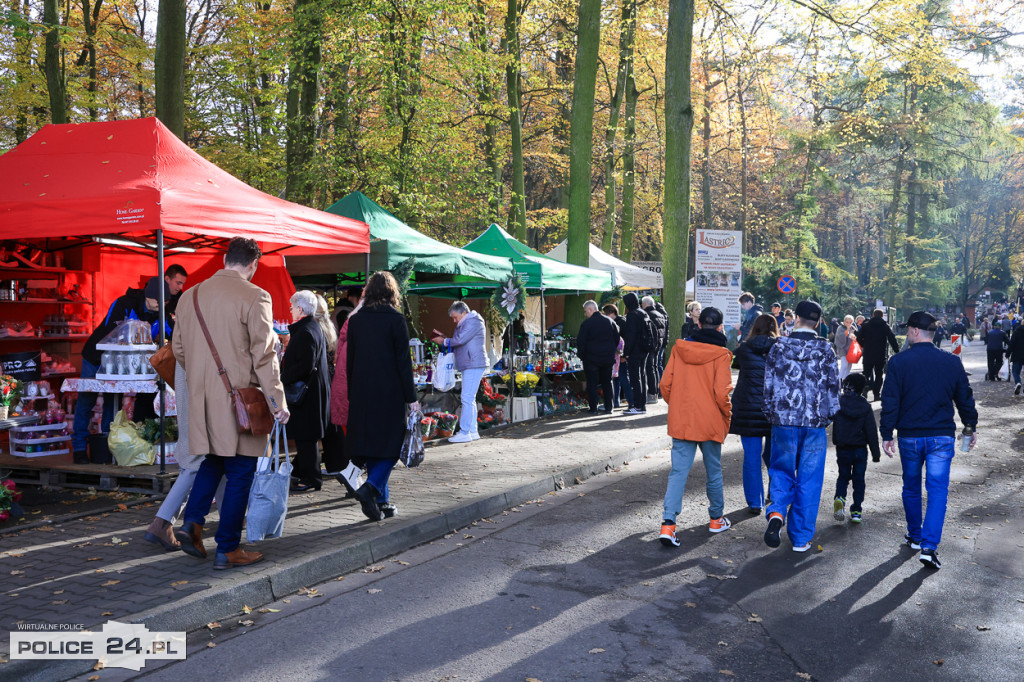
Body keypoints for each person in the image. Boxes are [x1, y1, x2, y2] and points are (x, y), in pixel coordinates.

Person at [172, 238, 289, 570]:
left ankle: (192, 522)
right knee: (240, 470)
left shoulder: (189, 296)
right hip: (241, 400)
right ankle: (228, 548)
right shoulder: (255, 296)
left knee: (213, 460)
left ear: (225, 259)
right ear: (253, 265)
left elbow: (179, 350)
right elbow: (265, 356)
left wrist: (203, 375)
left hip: (202, 398)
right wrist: (277, 400)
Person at [880, 311, 978, 570]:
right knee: (937, 492)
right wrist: (970, 426)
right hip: (941, 437)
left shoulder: (899, 362)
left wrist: (887, 434)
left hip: (910, 436)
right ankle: (929, 546)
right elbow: (964, 398)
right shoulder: (951, 361)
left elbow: (890, 401)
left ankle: (914, 535)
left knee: (911, 487)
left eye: (907, 330)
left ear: (913, 331)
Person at [762, 300, 841, 552]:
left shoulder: (779, 346)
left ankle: (776, 513)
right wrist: (830, 415)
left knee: (781, 470)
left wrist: (770, 413)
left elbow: (768, 385)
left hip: (784, 421)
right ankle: (801, 537)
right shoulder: (826, 349)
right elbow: (833, 388)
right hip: (815, 423)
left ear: (795, 318)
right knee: (810, 479)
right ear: (817, 322)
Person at [73, 275, 174, 463]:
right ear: (147, 296)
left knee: (113, 403)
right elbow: (110, 331)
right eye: (157, 301)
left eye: (165, 301)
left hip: (122, 364)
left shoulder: (162, 314)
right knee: (87, 399)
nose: (161, 305)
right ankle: (79, 448)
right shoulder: (124, 304)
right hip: (96, 357)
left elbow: (174, 334)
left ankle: (108, 447)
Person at [658, 307, 734, 547]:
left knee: (678, 472)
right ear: (720, 327)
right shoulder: (722, 355)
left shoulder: (679, 349)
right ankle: (715, 519)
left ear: (698, 324)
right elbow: (722, 393)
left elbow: (665, 384)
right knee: (713, 470)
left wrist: (679, 405)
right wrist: (727, 414)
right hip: (710, 420)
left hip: (683, 419)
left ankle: (668, 525)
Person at [348, 272, 420, 521]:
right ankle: (370, 488)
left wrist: (351, 392)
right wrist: (412, 397)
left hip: (362, 390)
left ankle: (383, 501)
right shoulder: (396, 319)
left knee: (374, 445)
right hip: (389, 391)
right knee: (392, 445)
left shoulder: (356, 321)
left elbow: (351, 361)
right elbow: (404, 363)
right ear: (392, 292)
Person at [281, 290, 330, 492]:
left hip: (306, 395)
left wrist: (281, 378)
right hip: (312, 393)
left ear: (300, 309)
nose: (291, 310)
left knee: (305, 438)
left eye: (293, 307)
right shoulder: (311, 328)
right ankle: (303, 473)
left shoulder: (305, 332)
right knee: (306, 438)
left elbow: (304, 366)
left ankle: (311, 479)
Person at [729, 313, 778, 514]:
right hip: (774, 409)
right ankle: (774, 494)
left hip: (747, 408)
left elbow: (735, 364)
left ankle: (755, 502)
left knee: (751, 457)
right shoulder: (780, 348)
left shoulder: (744, 349)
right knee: (775, 455)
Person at [432, 301, 487, 443]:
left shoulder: (472, 321)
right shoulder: (470, 321)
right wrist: (445, 338)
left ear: (463, 312)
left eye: (455, 317)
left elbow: (460, 339)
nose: (454, 320)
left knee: (467, 398)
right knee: (470, 399)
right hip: (471, 363)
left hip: (472, 363)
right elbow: (459, 340)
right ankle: (473, 431)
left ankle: (464, 432)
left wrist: (443, 341)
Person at [831, 373, 881, 524]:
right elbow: (871, 431)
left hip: (843, 447)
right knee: (859, 479)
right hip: (860, 449)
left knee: (843, 476)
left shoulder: (839, 403)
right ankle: (857, 510)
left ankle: (840, 498)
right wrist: (876, 453)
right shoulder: (865, 406)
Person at [576, 300, 620, 414]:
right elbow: (617, 339)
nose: (585, 314)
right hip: (607, 358)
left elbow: (581, 342)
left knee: (592, 383)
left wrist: (582, 356)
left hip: (591, 359)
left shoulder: (586, 324)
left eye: (586, 311)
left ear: (590, 309)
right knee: (607, 382)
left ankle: (594, 408)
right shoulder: (610, 322)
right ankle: (609, 407)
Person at [855, 309, 900, 402]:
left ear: (873, 315)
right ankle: (876, 394)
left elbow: (858, 337)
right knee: (879, 374)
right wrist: (897, 351)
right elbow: (892, 338)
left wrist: (864, 344)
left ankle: (865, 387)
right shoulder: (885, 326)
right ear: (882, 316)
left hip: (868, 353)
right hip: (880, 353)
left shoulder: (866, 325)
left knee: (866, 373)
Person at [621, 293, 654, 415]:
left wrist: (626, 353)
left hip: (635, 351)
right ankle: (642, 405)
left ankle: (638, 406)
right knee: (642, 376)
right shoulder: (642, 312)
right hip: (644, 349)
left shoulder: (632, 315)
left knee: (635, 378)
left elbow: (631, 336)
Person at [604, 304, 632, 409]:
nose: (605, 316)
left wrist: (625, 355)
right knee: (616, 379)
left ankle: (630, 401)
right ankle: (616, 401)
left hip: (621, 356)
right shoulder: (618, 322)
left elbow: (626, 340)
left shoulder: (621, 323)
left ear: (612, 313)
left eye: (606, 314)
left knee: (622, 378)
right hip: (617, 355)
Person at [643, 296, 667, 400]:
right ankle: (656, 391)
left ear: (644, 305)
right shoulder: (660, 314)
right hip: (658, 344)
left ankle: (652, 392)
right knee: (655, 367)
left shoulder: (647, 315)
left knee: (650, 368)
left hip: (650, 345)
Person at [834, 315, 855, 379]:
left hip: (850, 349)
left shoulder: (853, 328)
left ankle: (845, 379)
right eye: (847, 322)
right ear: (844, 321)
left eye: (850, 322)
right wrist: (847, 331)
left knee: (849, 365)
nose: (848, 324)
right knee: (844, 365)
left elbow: (855, 336)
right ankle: (839, 379)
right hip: (842, 349)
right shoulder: (840, 328)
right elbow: (841, 338)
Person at [1008, 322, 1024, 395]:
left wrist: (1007, 354)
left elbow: (1012, 344)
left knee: (1015, 371)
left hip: (1017, 355)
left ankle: (1018, 382)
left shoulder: (1016, 332)